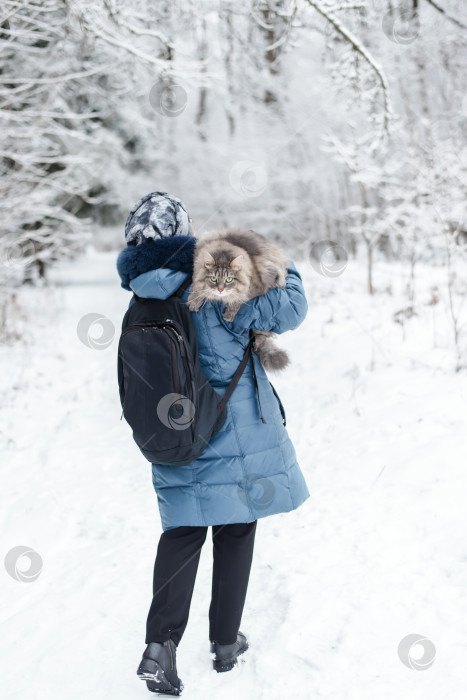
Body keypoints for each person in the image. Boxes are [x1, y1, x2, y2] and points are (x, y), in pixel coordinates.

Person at [116, 192, 310, 696]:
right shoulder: (215, 277)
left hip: (175, 436)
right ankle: (225, 645)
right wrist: (283, 267)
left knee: (181, 537)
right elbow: (289, 308)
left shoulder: (142, 297)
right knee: (235, 531)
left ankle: (159, 647)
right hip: (232, 432)